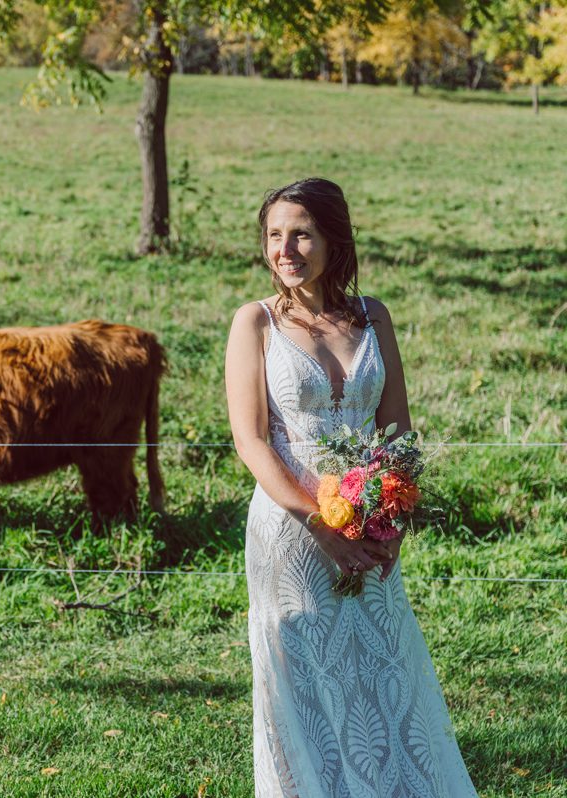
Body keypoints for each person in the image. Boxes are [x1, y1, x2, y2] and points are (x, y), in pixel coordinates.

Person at [224, 178, 476, 795]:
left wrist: (391, 521)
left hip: (369, 527)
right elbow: (251, 441)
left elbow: (397, 430)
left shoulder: (372, 317)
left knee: (382, 676)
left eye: (301, 233)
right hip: (291, 534)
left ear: (334, 240)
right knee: (304, 684)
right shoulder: (254, 322)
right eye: (274, 235)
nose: (285, 249)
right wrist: (320, 527)